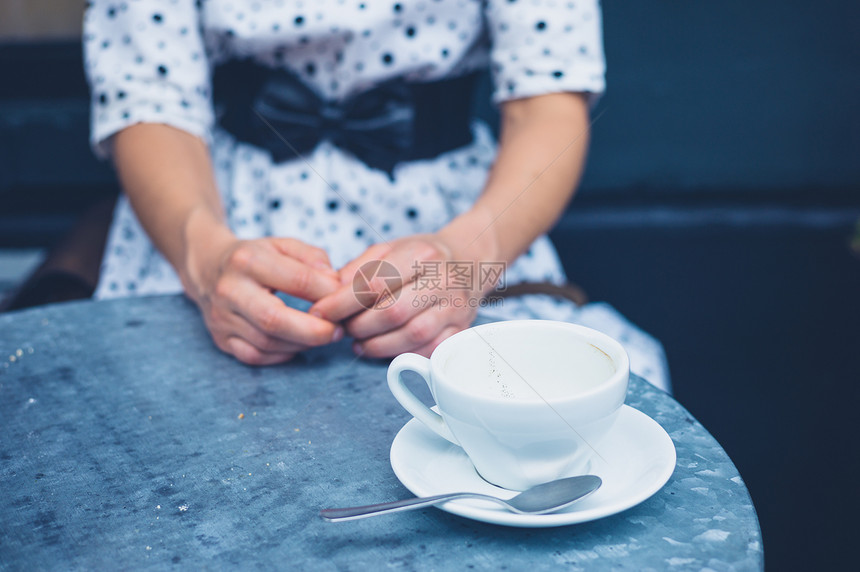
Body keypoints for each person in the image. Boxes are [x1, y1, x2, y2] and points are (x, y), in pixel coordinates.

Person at [84, 0, 670, 391]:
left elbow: (548, 98)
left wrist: (469, 255)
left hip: (458, 220)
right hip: (222, 211)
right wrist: (206, 257)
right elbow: (147, 98)